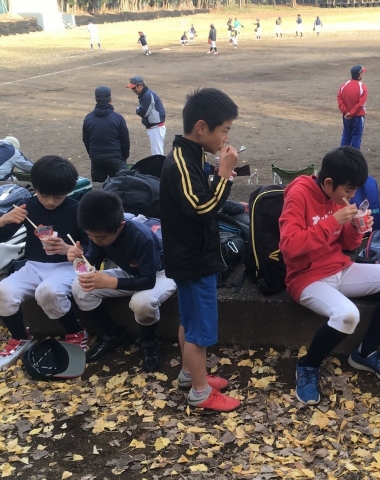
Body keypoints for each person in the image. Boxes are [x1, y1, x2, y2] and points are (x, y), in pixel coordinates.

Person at [279, 146, 380, 405]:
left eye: (355, 191)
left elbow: (348, 246)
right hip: (306, 278)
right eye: (349, 190)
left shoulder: (338, 197)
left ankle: (366, 352)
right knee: (348, 315)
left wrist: (356, 228)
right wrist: (334, 221)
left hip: (339, 267)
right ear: (328, 182)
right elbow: (289, 246)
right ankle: (308, 365)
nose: (352, 196)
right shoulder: (299, 194)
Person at [159, 88, 241, 412]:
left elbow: (199, 202)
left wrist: (219, 175)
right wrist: (224, 175)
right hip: (193, 260)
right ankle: (200, 392)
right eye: (225, 130)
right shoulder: (181, 162)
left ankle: (189, 374)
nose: (226, 138)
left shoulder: (189, 156)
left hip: (190, 256)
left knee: (189, 321)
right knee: (199, 331)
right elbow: (202, 208)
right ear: (202, 127)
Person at [68, 190, 176, 371]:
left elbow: (148, 281)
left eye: (101, 238)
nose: (95, 240)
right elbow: (92, 261)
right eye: (90, 236)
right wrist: (78, 259)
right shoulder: (98, 232)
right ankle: (113, 334)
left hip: (160, 274)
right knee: (80, 287)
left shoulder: (141, 237)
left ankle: (149, 341)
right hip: (129, 272)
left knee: (142, 303)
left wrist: (110, 283)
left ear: (120, 225)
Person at [0, 156, 89, 369]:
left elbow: (94, 246)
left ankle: (75, 331)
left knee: (48, 292)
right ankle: (20, 337)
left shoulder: (78, 210)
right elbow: (3, 236)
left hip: (68, 267)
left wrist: (69, 250)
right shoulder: (26, 207)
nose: (49, 202)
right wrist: (3, 220)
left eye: (57, 196)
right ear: (35, 188)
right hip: (33, 266)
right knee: (3, 291)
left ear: (68, 191)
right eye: (43, 194)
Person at [82, 86, 130, 182]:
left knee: (98, 186)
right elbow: (125, 140)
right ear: (110, 99)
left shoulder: (88, 118)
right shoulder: (118, 118)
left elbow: (86, 140)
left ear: (96, 99)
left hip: (96, 157)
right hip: (115, 156)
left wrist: (92, 154)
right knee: (120, 185)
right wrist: (123, 157)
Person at [126, 76, 166, 156]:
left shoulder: (147, 95)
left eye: (134, 88)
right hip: (154, 127)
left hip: (156, 128)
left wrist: (138, 109)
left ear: (140, 86)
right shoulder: (146, 94)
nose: (133, 90)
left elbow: (143, 112)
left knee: (157, 154)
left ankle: (160, 165)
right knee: (157, 153)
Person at [337, 65, 368, 150]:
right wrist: (352, 113)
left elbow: (339, 99)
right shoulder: (362, 87)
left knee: (346, 135)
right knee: (356, 137)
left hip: (346, 116)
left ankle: (343, 154)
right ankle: (353, 155)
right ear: (359, 74)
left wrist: (346, 112)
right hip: (358, 116)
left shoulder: (344, 85)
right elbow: (361, 104)